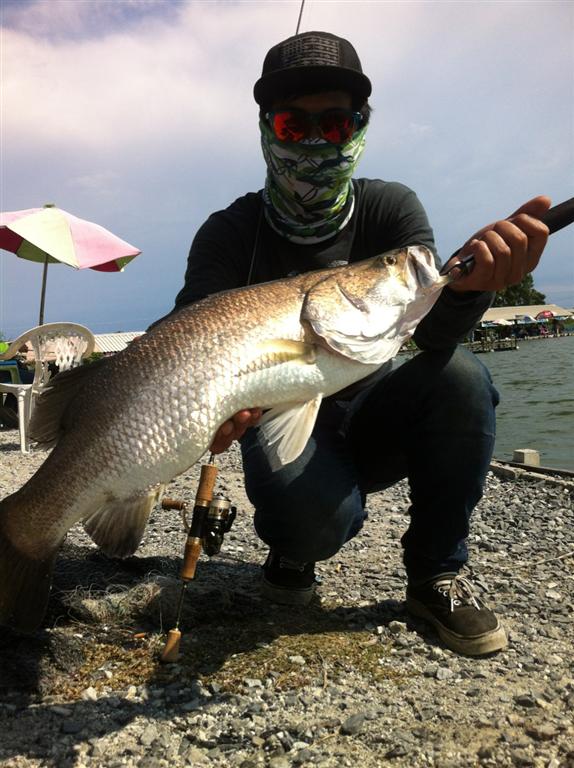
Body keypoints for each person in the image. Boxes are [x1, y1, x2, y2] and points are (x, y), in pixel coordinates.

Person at [170, 31, 550, 656]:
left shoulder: (392, 209)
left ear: (359, 128)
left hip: (376, 407)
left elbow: (430, 338)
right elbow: (186, 347)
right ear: (266, 128)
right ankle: (296, 547)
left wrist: (468, 292)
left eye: (336, 123)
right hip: (278, 416)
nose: (317, 141)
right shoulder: (227, 234)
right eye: (295, 124)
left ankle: (435, 576)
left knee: (461, 377)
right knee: (314, 521)